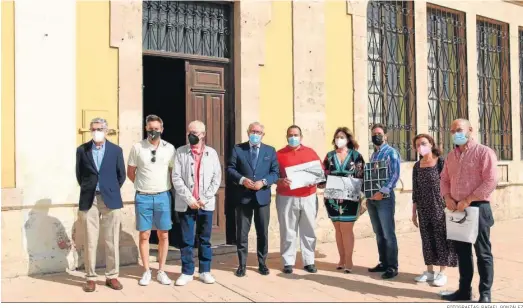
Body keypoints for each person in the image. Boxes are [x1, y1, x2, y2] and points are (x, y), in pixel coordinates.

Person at [440, 119, 497, 303]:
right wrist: (447, 197)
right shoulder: (450, 156)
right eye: (452, 130)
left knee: (483, 252)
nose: (456, 133)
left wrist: (468, 199)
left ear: (470, 130)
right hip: (457, 209)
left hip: (477, 208)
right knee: (462, 253)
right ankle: (464, 290)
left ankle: (485, 293)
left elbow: (490, 181)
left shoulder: (484, 152)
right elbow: (444, 179)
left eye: (459, 129)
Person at [75, 117, 126, 292]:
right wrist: (90, 188)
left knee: (111, 239)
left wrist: (109, 189)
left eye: (99, 128)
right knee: (90, 239)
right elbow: (79, 175)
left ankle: (112, 276)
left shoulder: (116, 150)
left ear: (106, 130)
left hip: (110, 198)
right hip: (90, 199)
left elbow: (122, 175)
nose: (96, 131)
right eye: (93, 129)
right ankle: (90, 277)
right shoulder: (82, 150)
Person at [127, 114, 176, 286]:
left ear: (162, 129)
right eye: (150, 128)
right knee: (144, 234)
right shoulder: (137, 147)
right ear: (146, 129)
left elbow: (173, 171)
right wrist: (143, 185)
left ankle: (161, 270)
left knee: (163, 234)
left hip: (163, 195)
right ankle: (147, 270)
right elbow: (130, 171)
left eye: (157, 128)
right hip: (143, 196)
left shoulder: (169, 148)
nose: (153, 131)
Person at [172, 120, 222, 286]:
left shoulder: (212, 154)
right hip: (187, 204)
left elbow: (217, 178)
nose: (191, 135)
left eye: (195, 133)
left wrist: (204, 198)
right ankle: (187, 272)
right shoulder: (180, 152)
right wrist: (190, 199)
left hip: (205, 204)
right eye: (189, 132)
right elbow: (176, 178)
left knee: (205, 239)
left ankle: (205, 271)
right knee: (186, 240)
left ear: (203, 135)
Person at [227, 122, 279, 277]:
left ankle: (262, 263)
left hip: (262, 197)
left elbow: (275, 172)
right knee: (242, 233)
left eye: (258, 132)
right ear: (248, 132)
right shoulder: (238, 148)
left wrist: (263, 182)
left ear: (263, 134)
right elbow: (230, 169)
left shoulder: (270, 150)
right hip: (243, 197)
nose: (255, 134)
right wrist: (243, 180)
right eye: (253, 131)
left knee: (262, 232)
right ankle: (241, 265)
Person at [411, 133, 458, 287]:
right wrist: (413, 212)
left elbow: (450, 183)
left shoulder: (441, 162)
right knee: (426, 238)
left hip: (439, 206)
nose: (420, 147)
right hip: (423, 208)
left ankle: (442, 272)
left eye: (423, 143)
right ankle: (429, 271)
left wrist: (451, 202)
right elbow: (415, 190)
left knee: (441, 238)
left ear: (431, 144)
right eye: (417, 145)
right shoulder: (417, 166)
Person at [275, 125, 322, 274]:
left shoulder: (311, 153)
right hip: (287, 197)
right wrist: (280, 180)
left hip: (308, 196)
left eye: (296, 135)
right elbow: (273, 175)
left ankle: (309, 261)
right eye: (290, 135)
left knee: (308, 230)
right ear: (286, 137)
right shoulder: (279, 154)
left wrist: (317, 179)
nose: (293, 137)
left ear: (301, 137)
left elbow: (319, 174)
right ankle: (288, 261)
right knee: (288, 230)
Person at [322, 127, 365, 273]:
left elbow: (361, 176)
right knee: (338, 229)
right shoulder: (329, 156)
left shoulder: (356, 156)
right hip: (332, 198)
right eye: (336, 137)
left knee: (347, 229)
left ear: (348, 139)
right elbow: (323, 175)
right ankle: (341, 259)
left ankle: (349, 261)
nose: (338, 139)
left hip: (350, 197)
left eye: (341, 137)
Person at [367, 123, 401, 279]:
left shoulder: (391, 153)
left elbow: (394, 175)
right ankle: (383, 262)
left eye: (379, 133)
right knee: (378, 233)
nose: (376, 136)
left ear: (385, 136)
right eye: (374, 134)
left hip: (385, 199)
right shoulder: (374, 155)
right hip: (372, 199)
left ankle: (392, 266)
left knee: (388, 233)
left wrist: (383, 192)